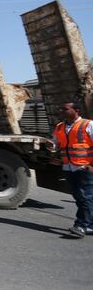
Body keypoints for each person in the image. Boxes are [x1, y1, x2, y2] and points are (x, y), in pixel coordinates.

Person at [53, 102, 93, 238]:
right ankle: (90, 225)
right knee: (79, 197)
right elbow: (56, 145)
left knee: (85, 196)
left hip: (84, 167)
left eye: (65, 109)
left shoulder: (88, 125)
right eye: (61, 108)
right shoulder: (59, 127)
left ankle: (82, 225)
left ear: (76, 110)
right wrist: (52, 150)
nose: (62, 111)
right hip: (68, 167)